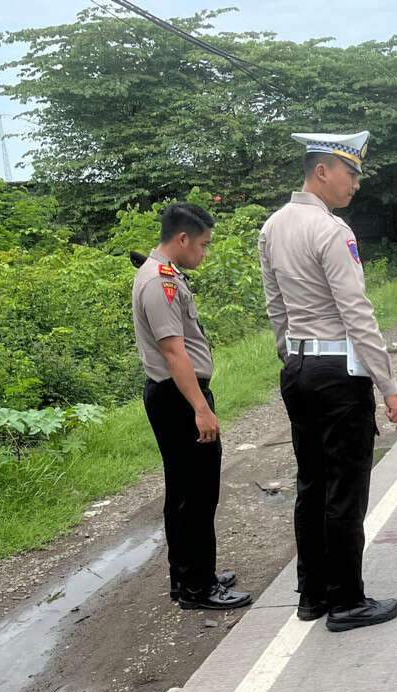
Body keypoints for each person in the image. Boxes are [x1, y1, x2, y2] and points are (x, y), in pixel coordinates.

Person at [259, 130, 397, 633]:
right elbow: (356, 312)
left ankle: (312, 595)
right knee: (345, 488)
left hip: (298, 368)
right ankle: (347, 602)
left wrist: (291, 357)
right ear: (322, 171)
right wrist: (387, 382)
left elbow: (275, 307)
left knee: (311, 485)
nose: (356, 184)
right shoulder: (332, 230)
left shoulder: (273, 226)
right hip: (338, 373)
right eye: (351, 172)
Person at [131, 202, 251, 610]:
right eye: (202, 245)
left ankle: (190, 577)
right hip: (179, 397)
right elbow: (173, 352)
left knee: (186, 493)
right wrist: (201, 408)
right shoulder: (158, 282)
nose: (205, 252)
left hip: (176, 395)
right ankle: (198, 588)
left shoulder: (164, 275)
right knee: (196, 495)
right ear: (181, 239)